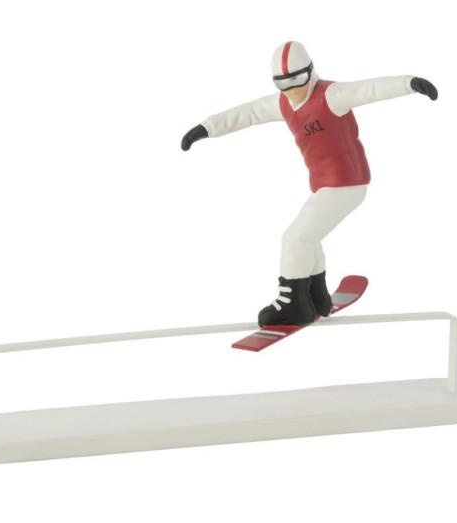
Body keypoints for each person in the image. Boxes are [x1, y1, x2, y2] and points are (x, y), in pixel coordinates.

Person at [181, 40, 438, 327]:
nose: (292, 90)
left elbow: (370, 89)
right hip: (325, 186)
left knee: (295, 239)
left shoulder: (331, 96)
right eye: (283, 84)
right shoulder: (283, 104)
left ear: (310, 72)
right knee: (308, 238)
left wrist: (409, 83)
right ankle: (315, 297)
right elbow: (247, 114)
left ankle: (293, 303)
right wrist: (206, 128)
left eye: (297, 80)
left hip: (345, 183)